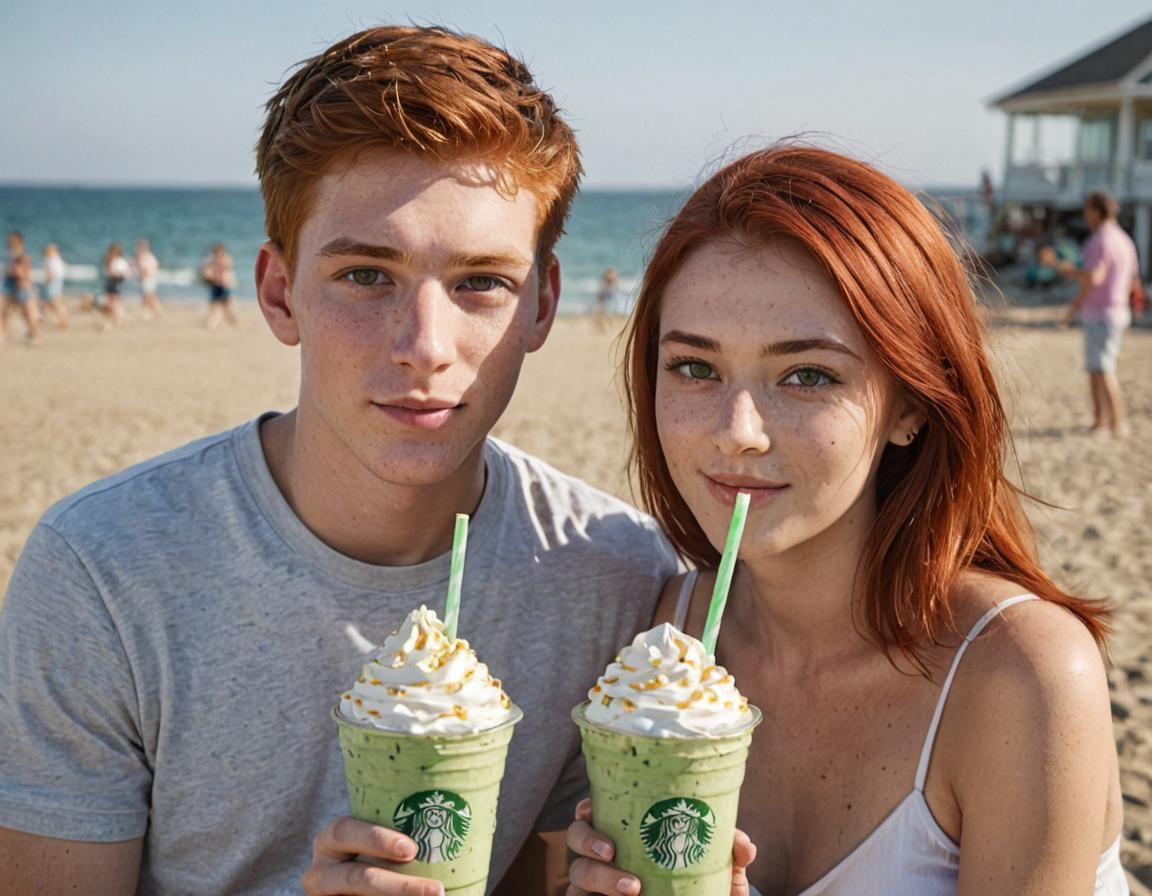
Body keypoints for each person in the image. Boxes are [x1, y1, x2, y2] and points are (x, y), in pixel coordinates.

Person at [0, 24, 678, 896]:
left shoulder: (610, 573)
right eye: (366, 276)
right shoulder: (104, 569)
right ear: (280, 293)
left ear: (542, 306)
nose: (425, 346)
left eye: (481, 283)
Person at [567, 146, 1126, 895]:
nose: (738, 431)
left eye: (808, 375)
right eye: (695, 368)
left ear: (910, 406)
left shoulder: (1021, 674)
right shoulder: (672, 633)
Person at [1043, 192, 1139, 439]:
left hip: (1101, 312)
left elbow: (1094, 278)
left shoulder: (1099, 241)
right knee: (1098, 368)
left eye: (1087, 210)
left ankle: (1116, 423)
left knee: (1103, 369)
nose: (1085, 216)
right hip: (1118, 310)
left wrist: (1067, 270)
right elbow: (1132, 281)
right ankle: (1100, 421)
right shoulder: (1125, 241)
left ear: (1097, 211)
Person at [2, 230, 41, 344]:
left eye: (11, 240)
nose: (8, 242)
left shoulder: (21, 255)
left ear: (17, 241)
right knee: (4, 310)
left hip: (21, 285)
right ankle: (3, 333)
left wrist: (13, 272)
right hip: (11, 284)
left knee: (27, 312)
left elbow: (23, 273)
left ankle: (35, 335)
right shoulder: (13, 254)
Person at [200, 241, 238, 329]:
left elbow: (224, 273)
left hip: (223, 286)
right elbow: (207, 273)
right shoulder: (211, 261)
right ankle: (212, 325)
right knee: (214, 307)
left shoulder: (225, 260)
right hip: (215, 286)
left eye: (219, 253)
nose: (218, 255)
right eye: (216, 253)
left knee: (227, 308)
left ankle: (233, 323)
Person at [39, 243, 70, 329]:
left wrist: (48, 282)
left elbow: (50, 273)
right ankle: (62, 321)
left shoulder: (50, 259)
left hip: (54, 281)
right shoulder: (56, 259)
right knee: (56, 303)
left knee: (55, 303)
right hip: (58, 280)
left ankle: (62, 321)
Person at [100, 241, 130, 324]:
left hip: (116, 281)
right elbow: (107, 271)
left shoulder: (120, 261)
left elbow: (125, 272)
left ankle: (117, 316)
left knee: (114, 300)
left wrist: (117, 274)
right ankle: (115, 316)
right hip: (110, 281)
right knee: (109, 300)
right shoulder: (110, 260)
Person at [133, 238, 163, 319]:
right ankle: (151, 312)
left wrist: (142, 272)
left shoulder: (148, 257)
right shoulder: (144, 257)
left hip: (149, 279)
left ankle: (154, 311)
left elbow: (147, 269)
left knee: (148, 296)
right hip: (147, 279)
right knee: (147, 296)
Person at [595, 267, 619, 332]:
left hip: (607, 299)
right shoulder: (607, 280)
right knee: (604, 314)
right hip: (605, 299)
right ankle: (603, 327)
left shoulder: (608, 280)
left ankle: (605, 327)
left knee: (606, 314)